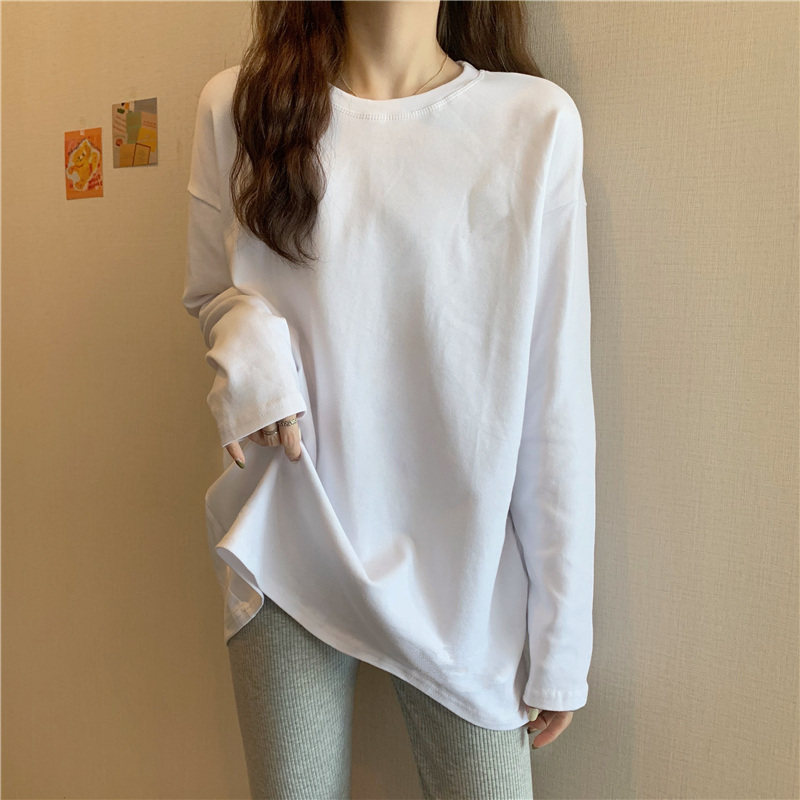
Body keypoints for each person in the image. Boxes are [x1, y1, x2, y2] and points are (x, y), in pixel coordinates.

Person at [182, 1, 596, 797]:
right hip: (288, 532)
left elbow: (554, 402)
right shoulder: (236, 109)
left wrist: (561, 640)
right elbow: (210, 297)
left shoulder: (534, 122)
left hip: (465, 574)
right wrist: (251, 343)